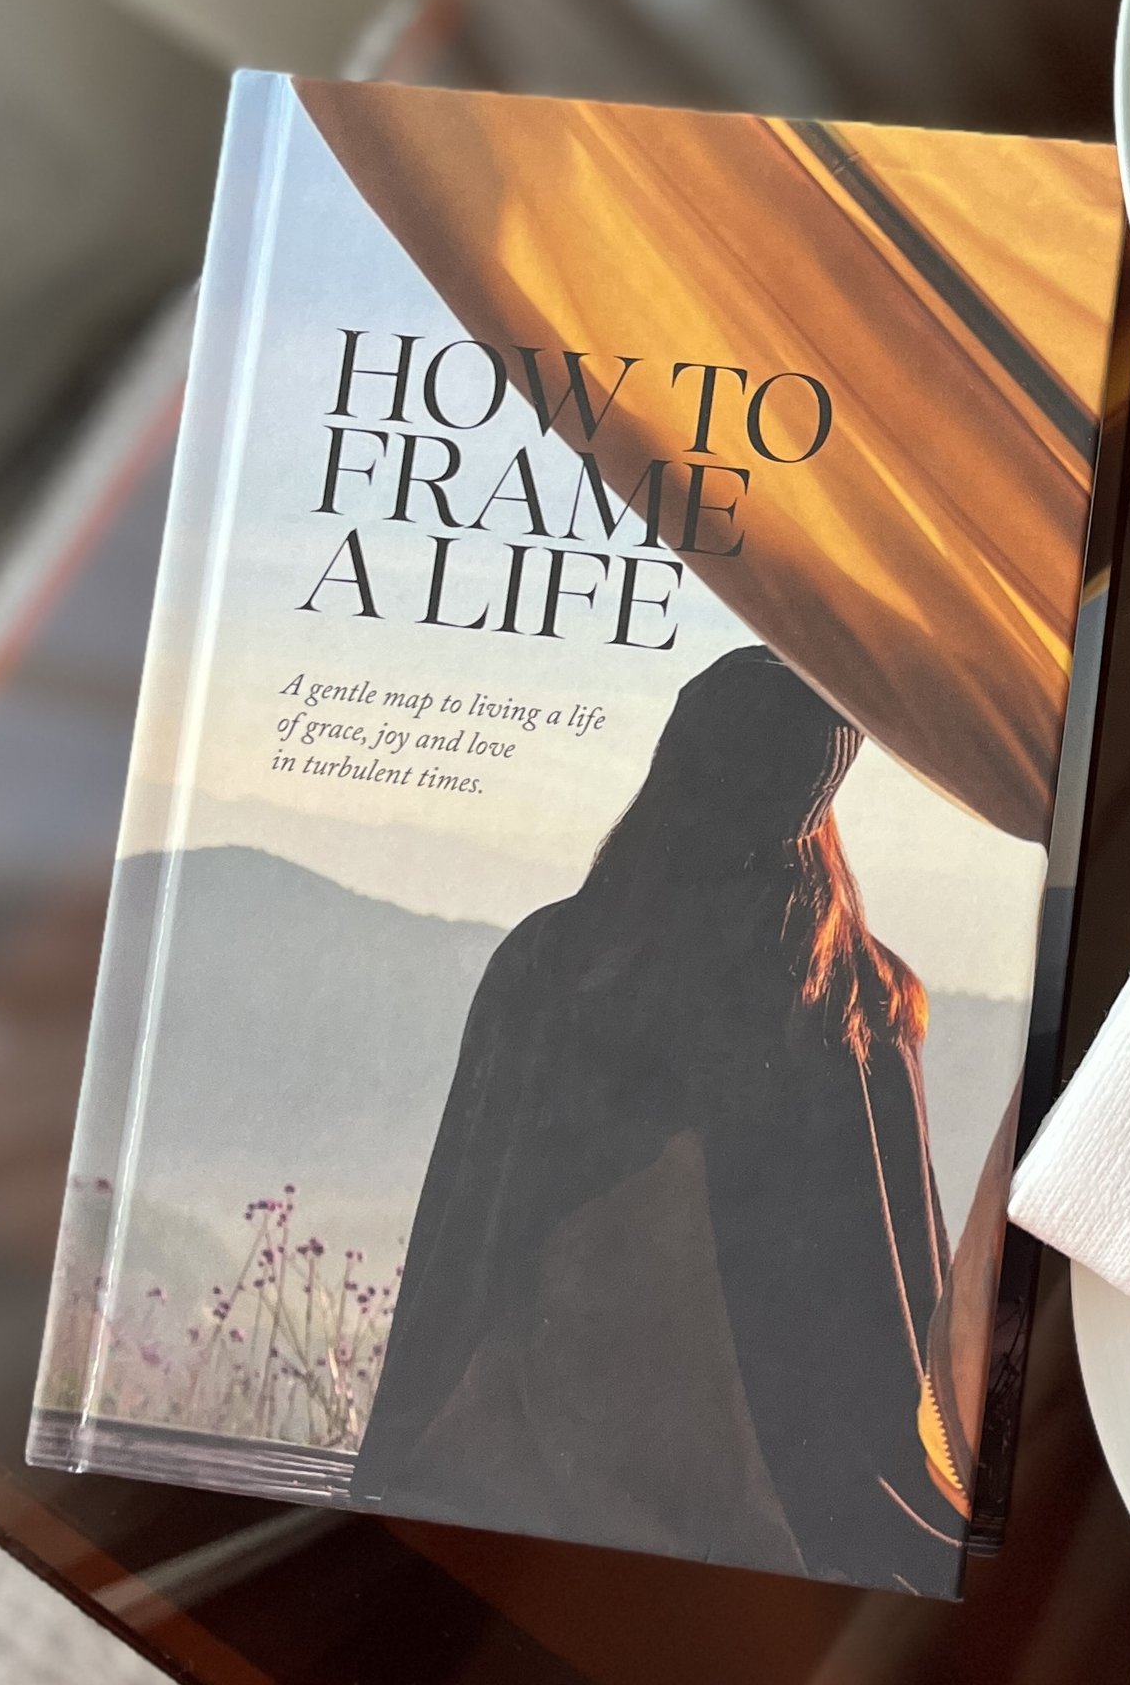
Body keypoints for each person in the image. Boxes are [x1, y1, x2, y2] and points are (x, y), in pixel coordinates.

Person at [350, 644, 971, 1590]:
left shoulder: (556, 965)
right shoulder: (865, 1005)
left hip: (538, 1449)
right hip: (772, 1491)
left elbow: (466, 1241)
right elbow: (885, 1305)